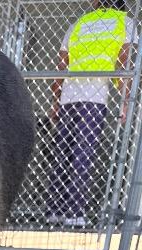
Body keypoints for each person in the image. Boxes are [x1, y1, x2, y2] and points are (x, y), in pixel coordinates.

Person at [46, 0, 136, 228]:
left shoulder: (80, 22)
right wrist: (126, 101)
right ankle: (75, 213)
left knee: (61, 154)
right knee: (83, 154)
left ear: (96, 3)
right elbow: (123, 62)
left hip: (68, 94)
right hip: (94, 96)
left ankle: (54, 210)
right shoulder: (124, 22)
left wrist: (55, 102)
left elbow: (62, 63)